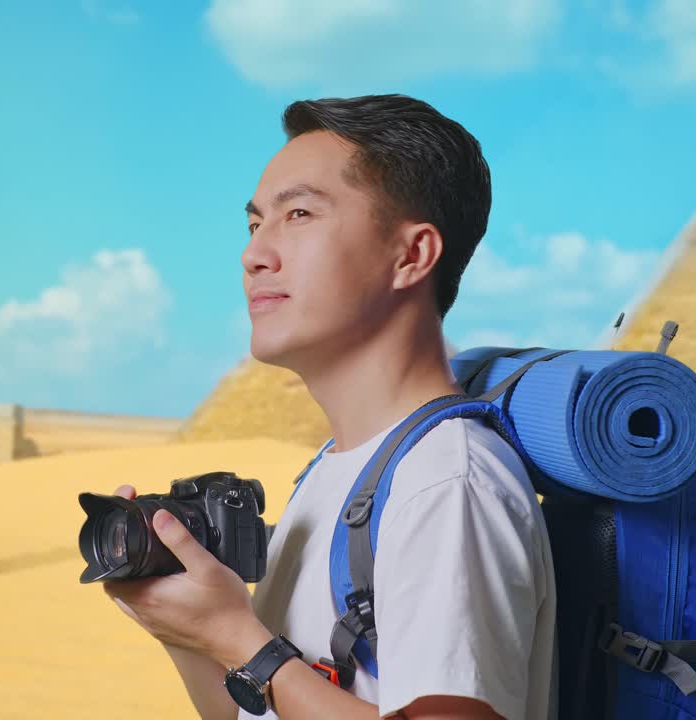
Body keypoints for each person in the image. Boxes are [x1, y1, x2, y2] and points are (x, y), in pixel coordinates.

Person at [103, 94, 558, 720]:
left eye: (299, 214)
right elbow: (255, 712)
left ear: (411, 256)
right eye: (255, 223)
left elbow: (266, 669)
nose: (254, 252)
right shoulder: (336, 472)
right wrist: (188, 628)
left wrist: (241, 639)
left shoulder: (446, 483)